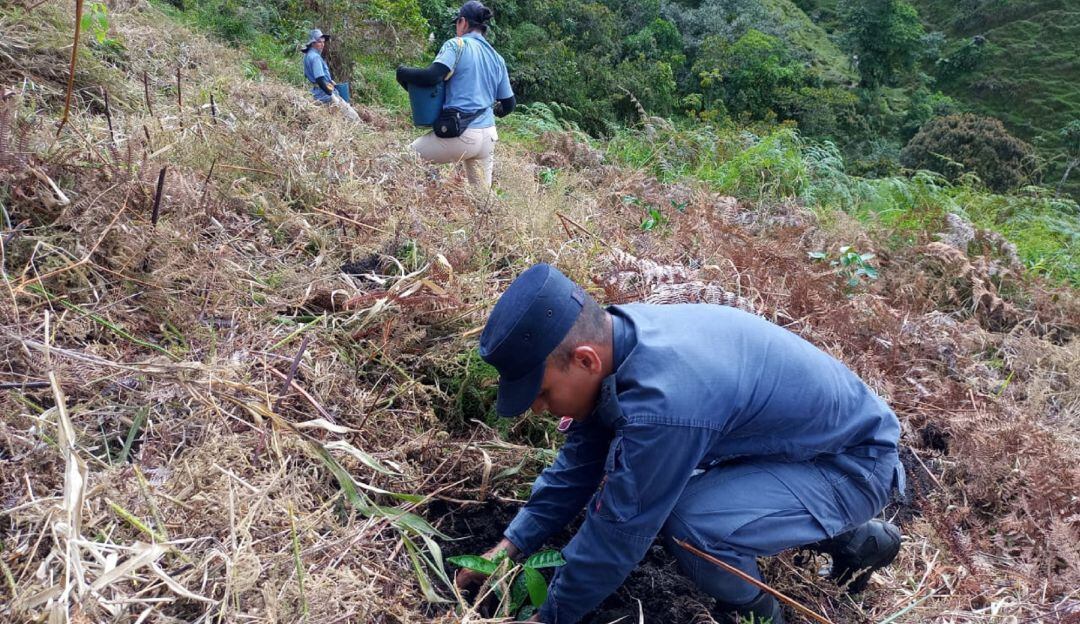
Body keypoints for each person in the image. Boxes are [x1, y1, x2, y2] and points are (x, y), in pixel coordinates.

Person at [460, 263, 906, 624]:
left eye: (542, 393)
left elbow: (618, 533)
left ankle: (759, 613)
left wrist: (550, 617)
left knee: (691, 524)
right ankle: (857, 539)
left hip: (854, 465)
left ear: (585, 361)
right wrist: (509, 547)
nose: (539, 408)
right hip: (800, 447)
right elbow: (579, 465)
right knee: (661, 474)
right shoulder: (618, 337)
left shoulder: (665, 402)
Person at [395, 1, 515, 189]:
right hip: (488, 137)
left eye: (457, 23)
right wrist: (493, 110)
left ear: (463, 22)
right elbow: (509, 105)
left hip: (461, 133)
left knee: (402, 158)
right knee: (481, 199)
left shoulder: (457, 45)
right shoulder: (496, 58)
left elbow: (431, 76)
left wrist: (402, 72)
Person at [302, 29, 337, 105]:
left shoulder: (307, 55)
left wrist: (330, 81)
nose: (322, 44)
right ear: (312, 43)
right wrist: (330, 93)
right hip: (323, 93)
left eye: (323, 42)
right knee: (348, 111)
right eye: (319, 42)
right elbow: (319, 79)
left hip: (316, 91)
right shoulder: (316, 57)